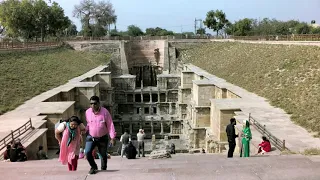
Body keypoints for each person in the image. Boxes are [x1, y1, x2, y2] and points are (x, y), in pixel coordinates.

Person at [85, 96, 116, 175]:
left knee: (103, 154)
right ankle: (93, 167)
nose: (93, 105)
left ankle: (104, 167)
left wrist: (112, 137)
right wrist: (84, 130)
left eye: (95, 104)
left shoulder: (105, 112)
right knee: (87, 152)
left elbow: (110, 125)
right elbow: (88, 123)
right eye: (91, 104)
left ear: (99, 103)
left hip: (102, 137)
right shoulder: (88, 112)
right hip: (91, 137)